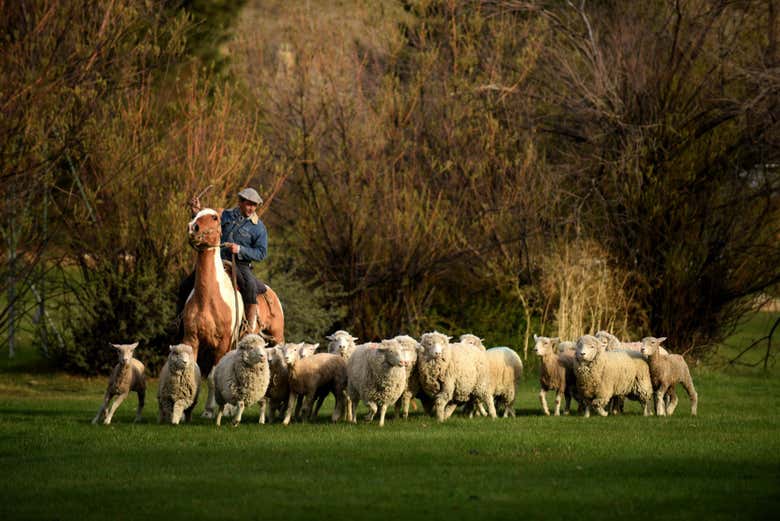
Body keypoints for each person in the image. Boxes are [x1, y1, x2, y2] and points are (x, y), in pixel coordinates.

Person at [182, 187, 269, 332]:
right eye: (248, 204)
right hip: (216, 260)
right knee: (185, 285)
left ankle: (248, 328)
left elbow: (261, 253)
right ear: (240, 202)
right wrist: (196, 213)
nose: (251, 208)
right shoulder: (224, 215)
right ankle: (179, 324)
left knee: (251, 287)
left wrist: (240, 249)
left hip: (240, 264)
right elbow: (206, 226)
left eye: (254, 205)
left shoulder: (259, 228)